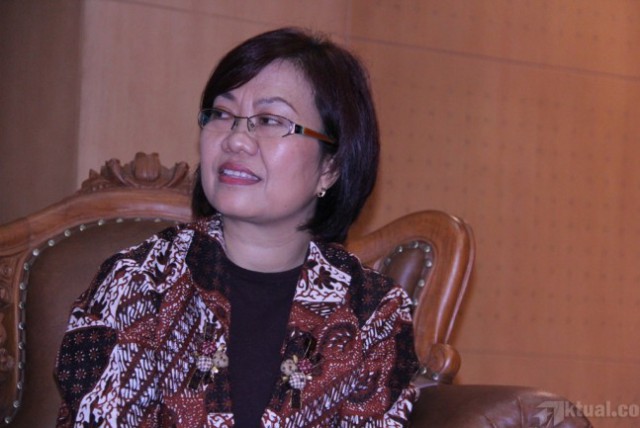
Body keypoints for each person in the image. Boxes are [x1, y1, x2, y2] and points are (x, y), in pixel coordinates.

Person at [54, 27, 419, 427]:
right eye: (222, 115)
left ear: (329, 167)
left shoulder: (372, 314)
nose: (236, 139)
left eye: (269, 120)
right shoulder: (138, 283)